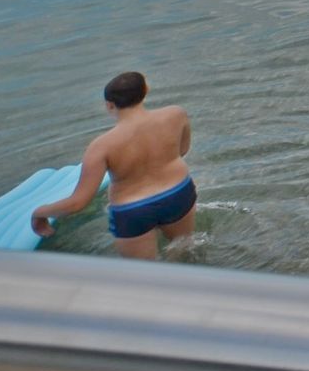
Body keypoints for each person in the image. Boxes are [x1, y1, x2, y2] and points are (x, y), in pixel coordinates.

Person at [32, 72, 194, 258]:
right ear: (146, 91)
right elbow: (182, 151)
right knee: (185, 253)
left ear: (109, 105)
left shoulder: (101, 146)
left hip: (133, 210)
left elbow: (79, 202)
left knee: (144, 275)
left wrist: (39, 212)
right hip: (178, 193)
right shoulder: (176, 114)